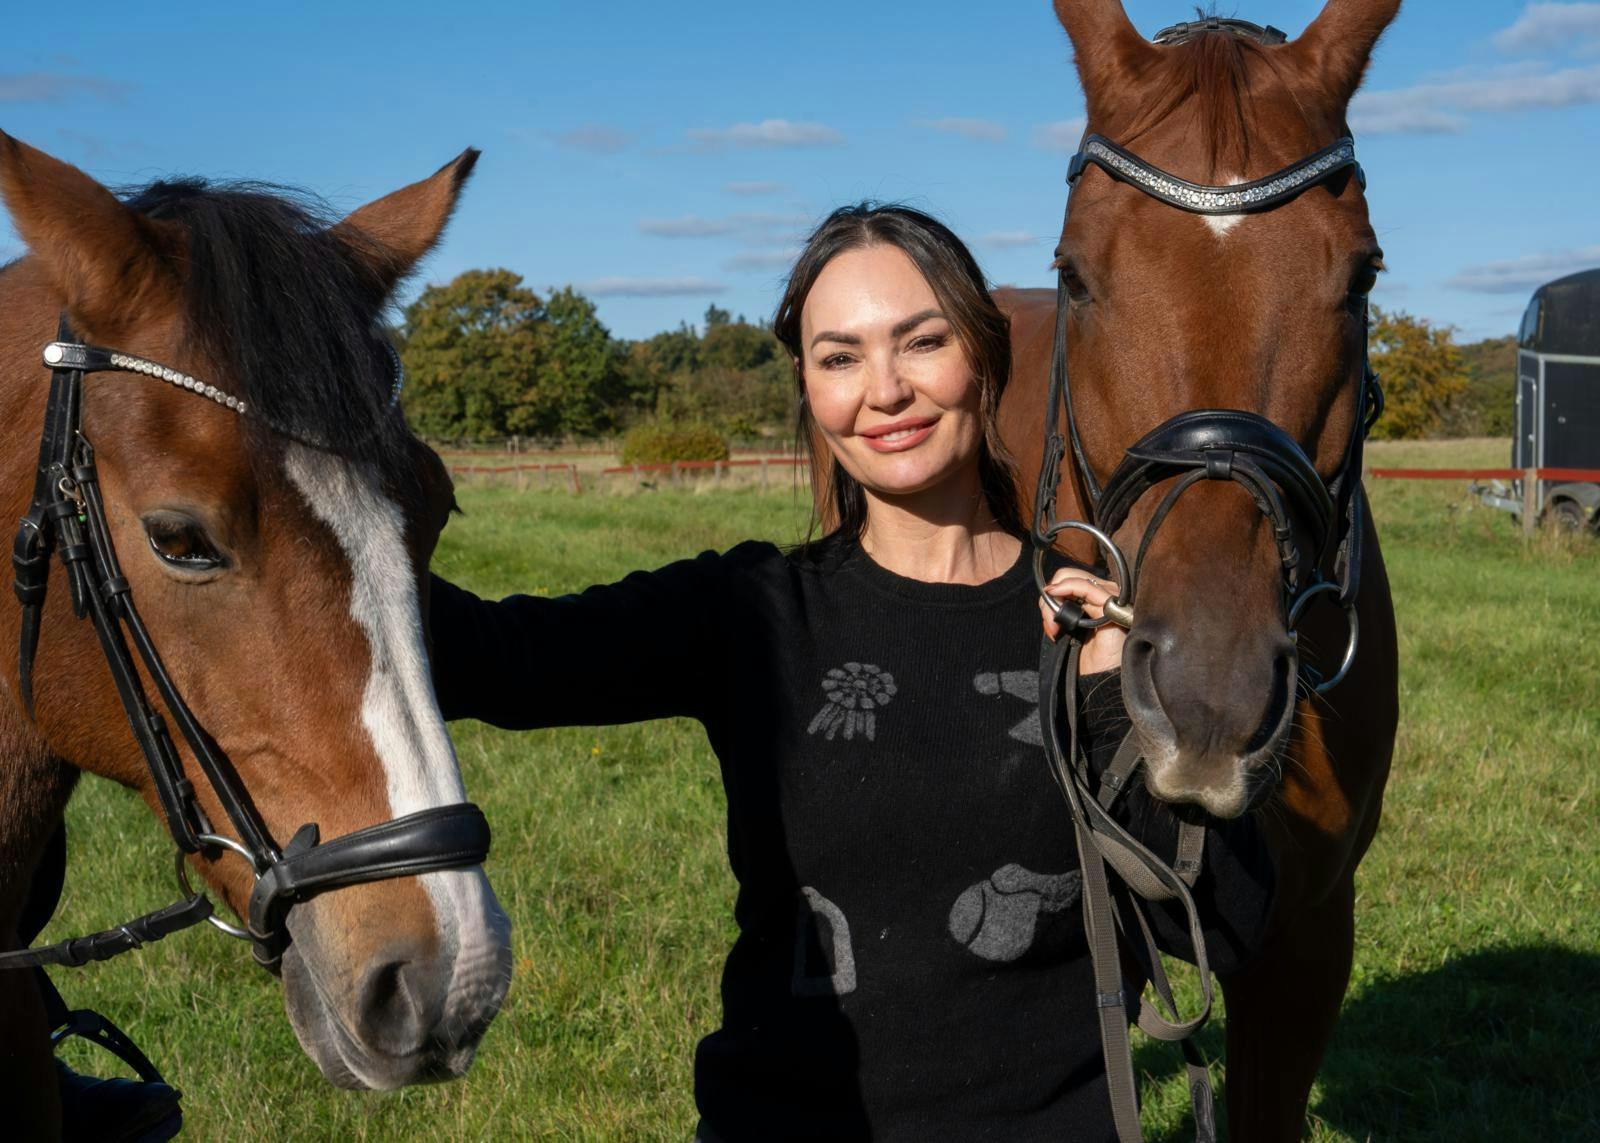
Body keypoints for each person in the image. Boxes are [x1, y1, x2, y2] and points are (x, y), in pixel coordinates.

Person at [427, 203, 1274, 1141]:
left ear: (985, 356)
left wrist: (1112, 698)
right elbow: (488, 662)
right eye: (839, 357)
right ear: (808, 385)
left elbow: (1226, 927)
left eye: (921, 343)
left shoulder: (1084, 624)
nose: (885, 391)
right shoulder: (753, 613)